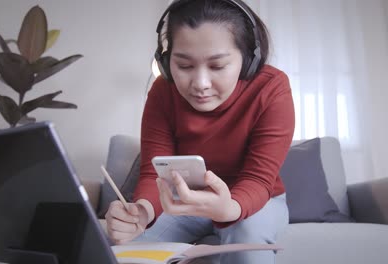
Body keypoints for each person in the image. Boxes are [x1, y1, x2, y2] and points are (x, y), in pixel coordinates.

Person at [105, 0, 295, 263]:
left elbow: (259, 180)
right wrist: (142, 213)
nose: (200, 84)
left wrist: (229, 208)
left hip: (256, 199)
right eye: (183, 66)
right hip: (186, 200)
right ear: (165, 60)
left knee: (247, 234)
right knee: (125, 248)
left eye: (217, 66)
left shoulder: (272, 88)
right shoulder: (162, 91)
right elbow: (154, 173)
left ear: (248, 61)